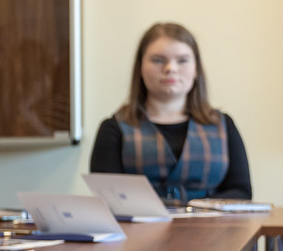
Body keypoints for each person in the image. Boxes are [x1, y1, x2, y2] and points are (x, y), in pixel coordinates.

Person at [89, 22, 251, 202]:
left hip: (211, 220)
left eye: (182, 60)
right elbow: (109, 199)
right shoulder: (114, 129)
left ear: (196, 68)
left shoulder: (223, 125)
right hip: (142, 221)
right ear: (140, 67)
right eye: (158, 60)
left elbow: (241, 192)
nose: (170, 69)